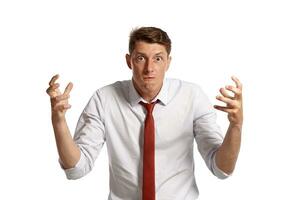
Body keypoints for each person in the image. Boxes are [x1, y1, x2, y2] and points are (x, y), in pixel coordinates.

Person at [46, 27, 243, 200]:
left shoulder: (192, 97)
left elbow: (222, 169)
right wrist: (58, 121)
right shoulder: (104, 99)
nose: (149, 68)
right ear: (129, 61)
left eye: (158, 58)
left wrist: (236, 127)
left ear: (168, 62)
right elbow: (76, 168)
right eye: (141, 58)